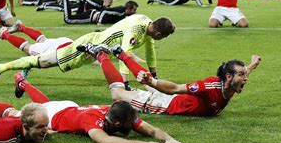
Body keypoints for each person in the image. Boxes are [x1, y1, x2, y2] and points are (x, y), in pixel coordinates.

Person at [0, 75, 183, 143]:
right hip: (56, 116)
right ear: (117, 125)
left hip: (68, 107)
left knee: (45, 103)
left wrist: (168, 138)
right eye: (131, 124)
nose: (135, 125)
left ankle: (23, 83)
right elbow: (105, 141)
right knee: (17, 115)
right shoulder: (94, 122)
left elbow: (148, 128)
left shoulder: (117, 112)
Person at [0, 15, 175, 88]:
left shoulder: (147, 25)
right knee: (42, 61)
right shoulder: (136, 30)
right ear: (157, 32)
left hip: (93, 47)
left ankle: (9, 66)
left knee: (41, 58)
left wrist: (154, 75)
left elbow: (150, 50)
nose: (161, 40)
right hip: (87, 48)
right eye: (163, 37)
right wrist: (125, 85)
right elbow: (123, 55)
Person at [77, 43, 261, 116]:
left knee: (146, 82)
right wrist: (153, 84)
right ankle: (100, 54)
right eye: (242, 74)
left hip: (177, 99)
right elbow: (175, 88)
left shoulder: (231, 84)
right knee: (117, 94)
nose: (246, 78)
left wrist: (252, 65)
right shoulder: (210, 85)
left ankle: (119, 52)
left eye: (245, 74)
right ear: (228, 77)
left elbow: (242, 76)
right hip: (168, 104)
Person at [0, 20, 73, 58]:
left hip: (68, 42)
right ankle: (4, 34)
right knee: (28, 48)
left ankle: (21, 27)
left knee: (44, 41)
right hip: (62, 50)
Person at [63, 0, 138, 24]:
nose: (135, 12)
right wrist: (99, 22)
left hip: (92, 14)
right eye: (134, 10)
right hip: (91, 17)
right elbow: (104, 11)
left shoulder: (122, 13)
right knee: (68, 19)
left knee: (77, 16)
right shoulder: (120, 11)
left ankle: (82, 0)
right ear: (128, 9)